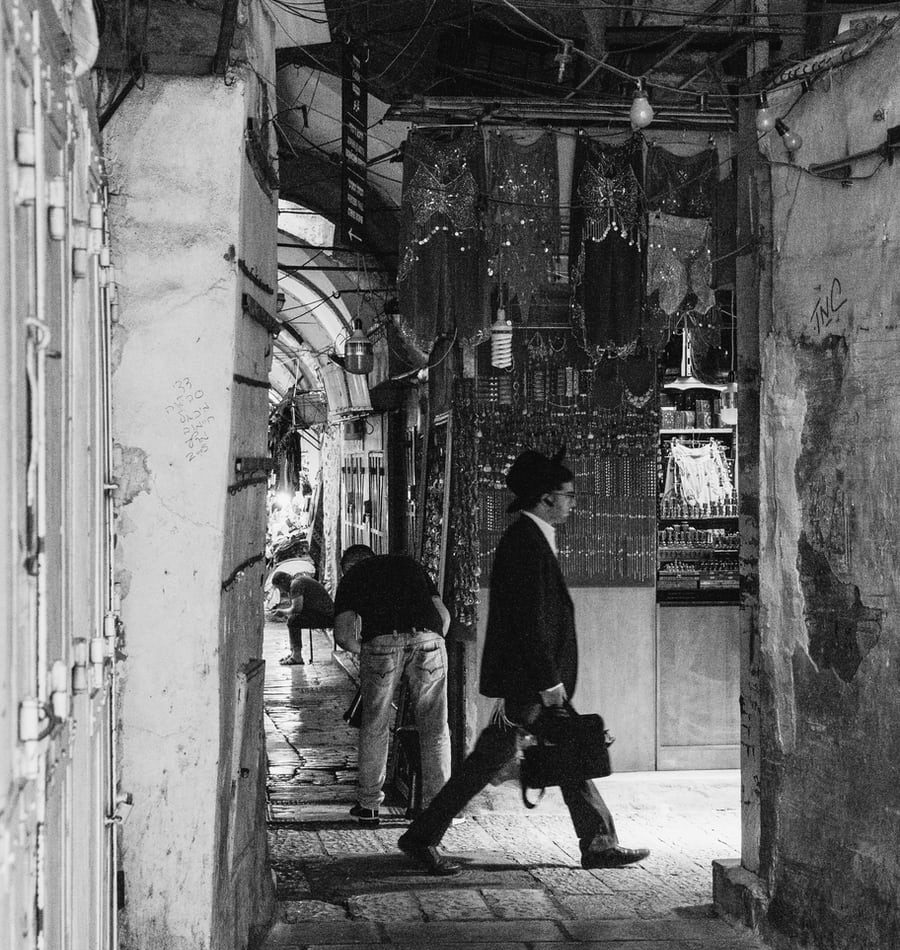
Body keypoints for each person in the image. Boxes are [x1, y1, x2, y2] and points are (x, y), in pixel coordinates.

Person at [397, 448, 651, 876]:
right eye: (568, 495)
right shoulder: (524, 543)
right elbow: (530, 621)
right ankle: (422, 838)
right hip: (530, 682)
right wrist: (549, 682)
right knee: (489, 762)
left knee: (562, 749)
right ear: (545, 498)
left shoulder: (531, 539)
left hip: (532, 680)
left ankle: (599, 842)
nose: (573, 503)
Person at [333, 544, 452, 829]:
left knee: (375, 725)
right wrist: (430, 644)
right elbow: (444, 617)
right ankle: (439, 810)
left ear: (348, 567)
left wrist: (366, 651)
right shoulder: (409, 565)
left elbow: (343, 635)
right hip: (430, 640)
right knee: (436, 727)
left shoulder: (352, 577)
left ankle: (369, 806)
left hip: (382, 644)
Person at [271, 568, 335, 666]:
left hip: (327, 617)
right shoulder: (297, 581)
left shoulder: (295, 584)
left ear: (283, 582)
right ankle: (294, 652)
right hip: (323, 613)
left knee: (293, 621)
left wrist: (282, 612)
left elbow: (297, 608)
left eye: (279, 587)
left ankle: (297, 656)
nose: (281, 591)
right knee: (293, 619)